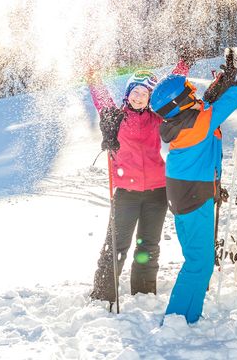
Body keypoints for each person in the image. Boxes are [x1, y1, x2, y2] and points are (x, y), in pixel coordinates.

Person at [149, 48, 237, 324]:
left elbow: (206, 103)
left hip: (182, 191)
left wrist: (224, 78)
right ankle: (178, 318)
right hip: (193, 194)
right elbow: (231, 100)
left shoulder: (181, 120)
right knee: (200, 262)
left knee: (196, 258)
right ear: (180, 101)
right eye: (189, 90)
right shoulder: (199, 123)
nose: (194, 92)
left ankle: (187, 315)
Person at [88, 59, 191, 307]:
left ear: (150, 97)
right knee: (116, 245)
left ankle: (144, 294)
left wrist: (183, 65)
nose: (138, 97)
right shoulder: (115, 117)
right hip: (126, 193)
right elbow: (100, 98)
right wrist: (92, 75)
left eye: (144, 93)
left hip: (157, 192)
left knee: (149, 245)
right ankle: (103, 295)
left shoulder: (156, 118)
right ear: (128, 93)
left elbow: (171, 87)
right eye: (135, 91)